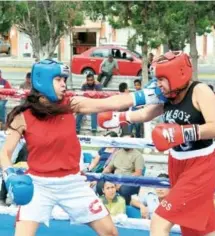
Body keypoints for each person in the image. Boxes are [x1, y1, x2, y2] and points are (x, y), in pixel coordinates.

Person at [0, 58, 165, 236]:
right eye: (58, 80)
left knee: (110, 233)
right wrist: (9, 175)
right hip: (39, 184)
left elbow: (110, 103)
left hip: (72, 183)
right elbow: (5, 152)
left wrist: (145, 95)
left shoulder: (70, 104)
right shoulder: (22, 116)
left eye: (64, 79)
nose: (64, 84)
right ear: (43, 81)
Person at [97, 51, 215, 236]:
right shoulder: (167, 95)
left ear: (178, 74)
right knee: (198, 229)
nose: (158, 83)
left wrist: (184, 132)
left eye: (162, 78)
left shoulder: (200, 91)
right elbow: (145, 114)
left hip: (201, 165)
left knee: (159, 221)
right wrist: (119, 118)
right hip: (177, 163)